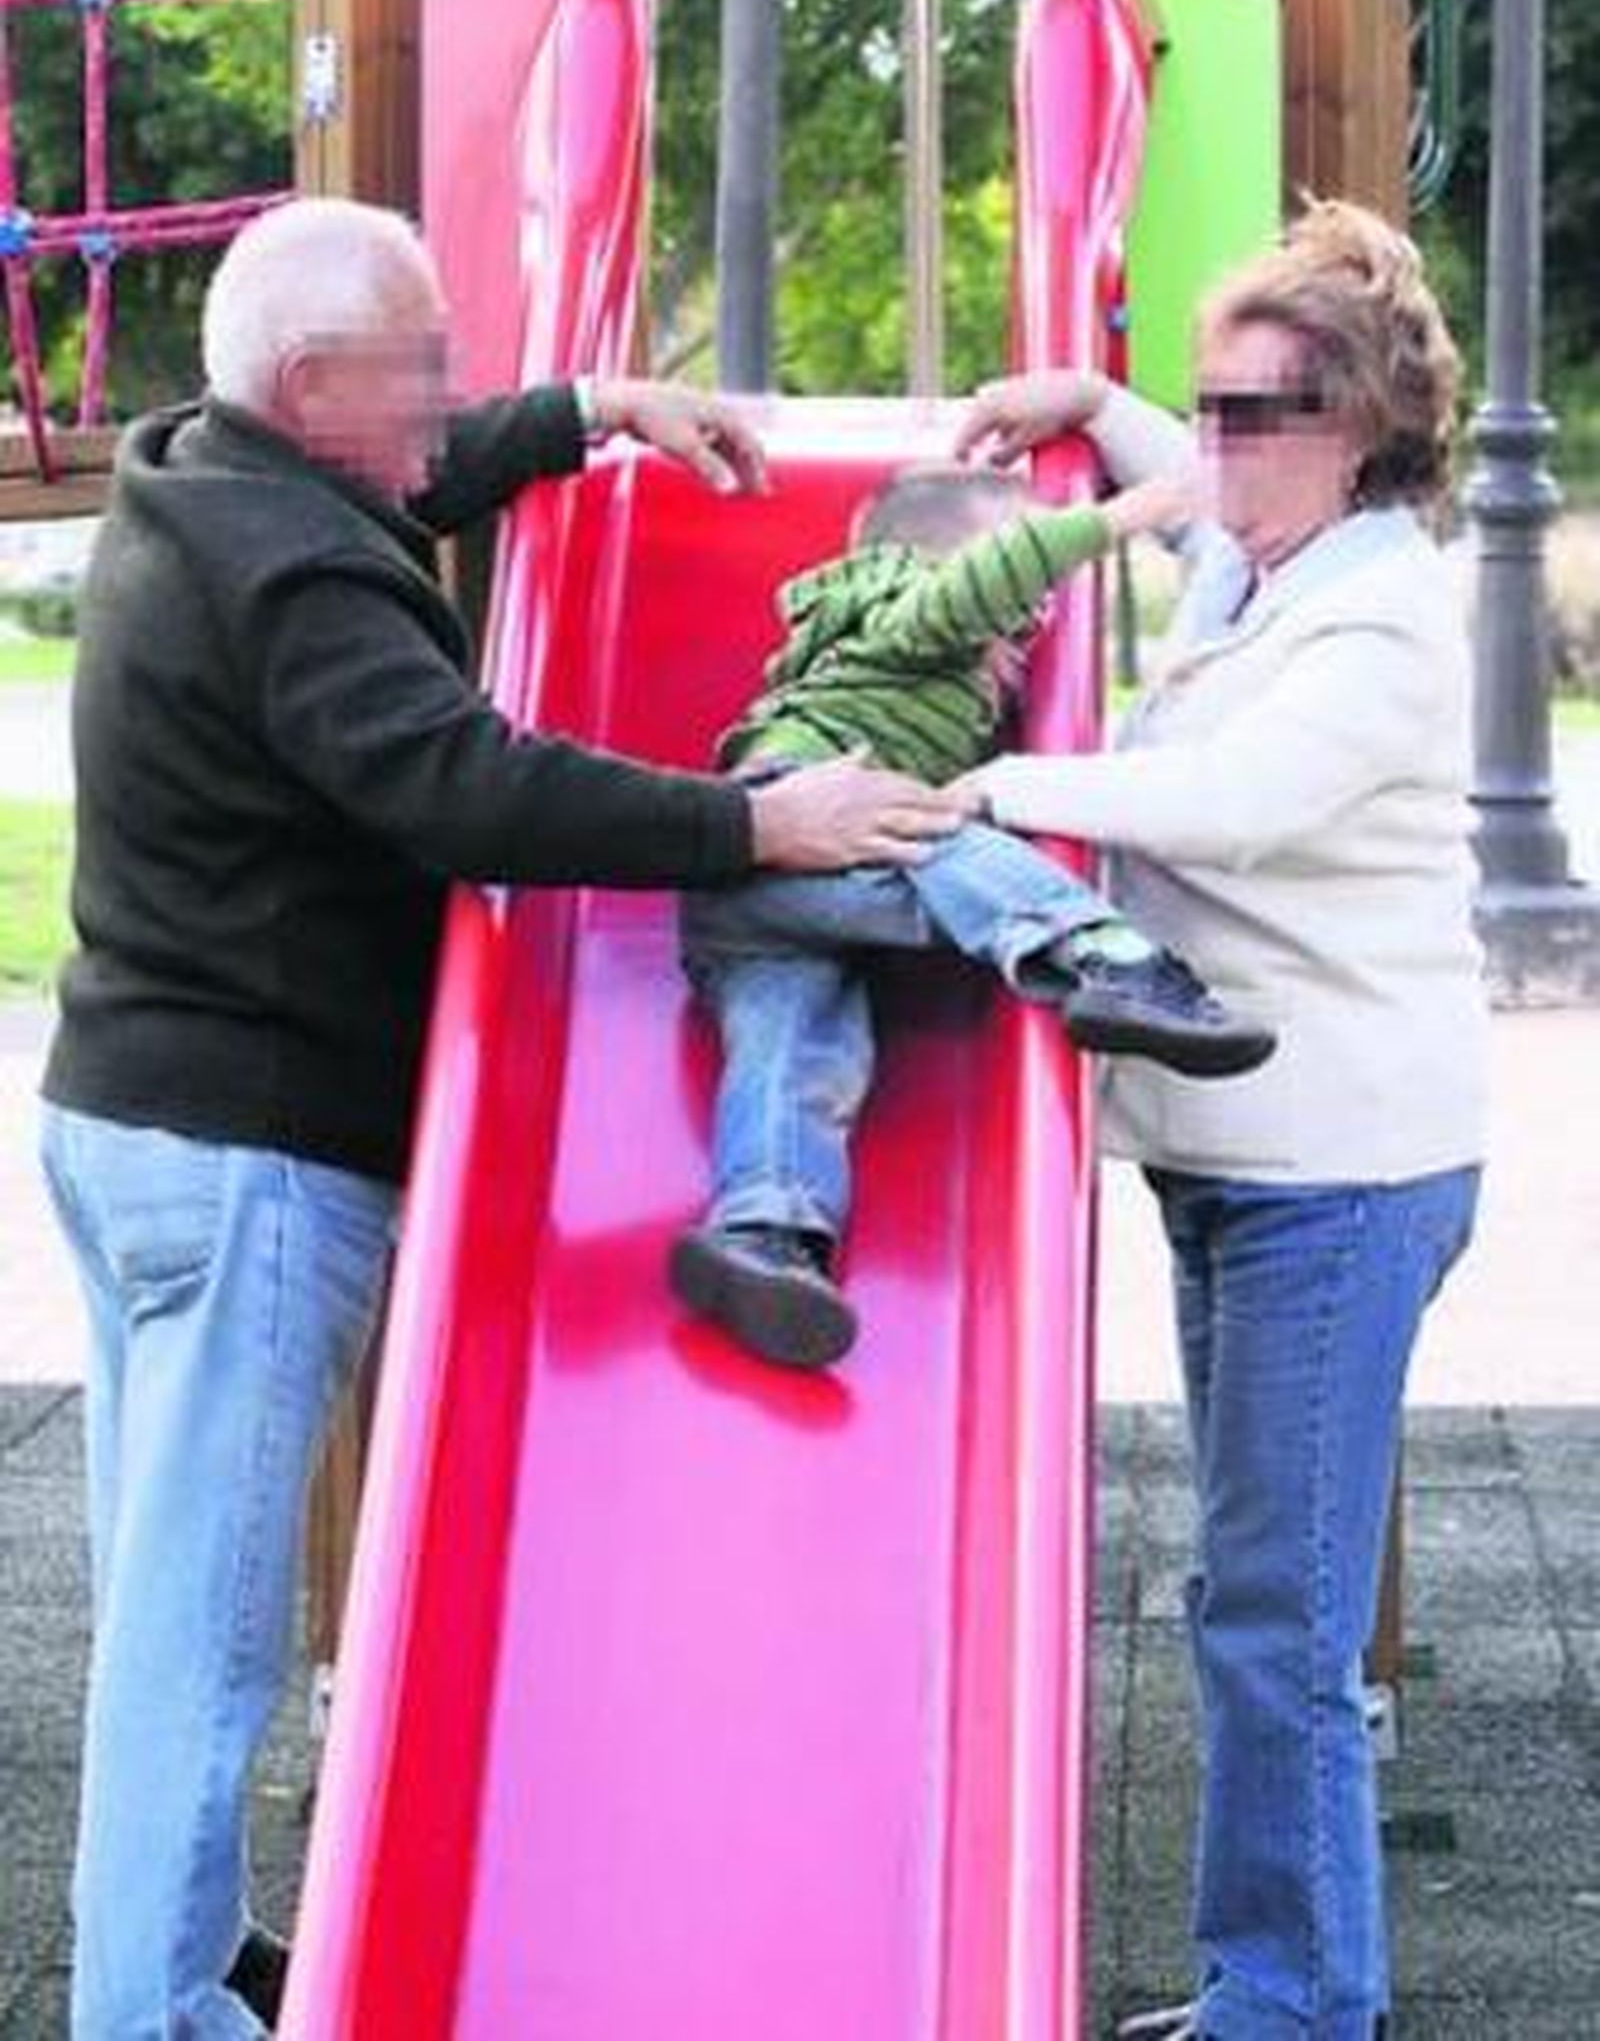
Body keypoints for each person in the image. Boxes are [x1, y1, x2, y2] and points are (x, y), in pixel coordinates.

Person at [37, 195, 960, 2041]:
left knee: (166, 1593)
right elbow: (466, 783)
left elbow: (405, 502)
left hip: (137, 1116)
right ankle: (146, 2008)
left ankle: (179, 1957)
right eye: (426, 364)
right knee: (202, 1627)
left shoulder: (210, 487)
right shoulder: (297, 574)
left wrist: (590, 405)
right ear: (314, 388)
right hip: (249, 1150)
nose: (454, 395)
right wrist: (752, 824)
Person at [950, 200, 1489, 2041]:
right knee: (1251, 1590)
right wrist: (1091, 399)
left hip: (1339, 1173)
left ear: (1358, 430)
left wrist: (993, 781)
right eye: (1214, 404)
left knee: (1277, 1615)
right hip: (1237, 1159)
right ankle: (1276, 1979)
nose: (1222, 438)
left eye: (1261, 410)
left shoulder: (1386, 618)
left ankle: (1300, 1998)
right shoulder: (1264, 556)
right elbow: (1186, 470)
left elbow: (1242, 796)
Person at [672, 458, 1275, 1370]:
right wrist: (1118, 520)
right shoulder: (903, 609)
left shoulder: (864, 671)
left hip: (746, 907)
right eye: (1023, 607)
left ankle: (763, 1232)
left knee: (801, 1048)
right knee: (938, 836)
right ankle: (1104, 955)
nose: (1031, 630)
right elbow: (966, 593)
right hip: (796, 813)